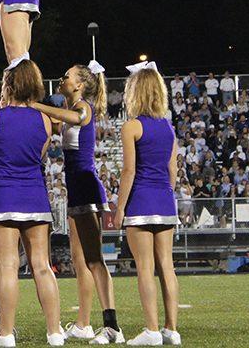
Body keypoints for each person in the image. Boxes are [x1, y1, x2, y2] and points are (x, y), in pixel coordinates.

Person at [30, 62, 123, 343]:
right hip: (77, 190)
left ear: (80, 84)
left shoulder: (83, 107)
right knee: (84, 260)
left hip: (86, 188)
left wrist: (37, 106)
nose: (61, 78)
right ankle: (88, 324)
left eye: (67, 76)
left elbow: (78, 117)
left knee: (95, 261)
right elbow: (60, 121)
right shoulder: (71, 109)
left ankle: (112, 327)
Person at [0, 59, 65, 346]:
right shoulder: (45, 120)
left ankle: (5, 335)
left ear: (10, 84)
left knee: (8, 266)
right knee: (42, 265)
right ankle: (55, 333)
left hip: (4, 195)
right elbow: (39, 157)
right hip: (35, 195)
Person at [114, 61, 181, 346]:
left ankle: (151, 330)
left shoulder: (131, 126)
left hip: (140, 201)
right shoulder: (168, 128)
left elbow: (128, 171)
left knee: (144, 267)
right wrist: (164, 194)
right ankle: (171, 329)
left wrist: (119, 208)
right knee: (167, 266)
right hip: (165, 201)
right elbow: (173, 173)